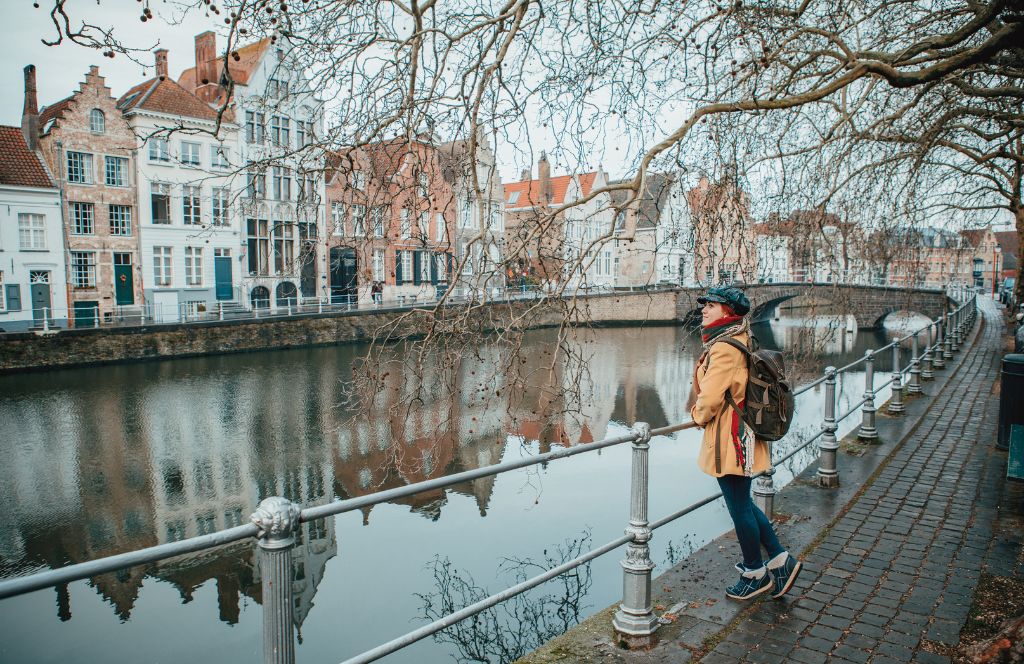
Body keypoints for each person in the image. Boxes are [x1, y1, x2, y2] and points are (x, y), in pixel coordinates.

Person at [688, 286, 802, 600]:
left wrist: (697, 416)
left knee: (739, 507)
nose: (704, 310)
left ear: (728, 311)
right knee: (745, 504)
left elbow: (710, 398)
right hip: (741, 434)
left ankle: (755, 572)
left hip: (732, 438)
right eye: (705, 305)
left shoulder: (724, 347)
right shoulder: (741, 336)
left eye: (711, 305)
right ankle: (780, 560)